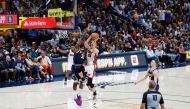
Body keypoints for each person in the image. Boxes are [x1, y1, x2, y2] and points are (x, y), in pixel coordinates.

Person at [84, 34, 99, 99]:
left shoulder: (96, 50)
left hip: (92, 66)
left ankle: (95, 92)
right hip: (87, 66)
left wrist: (94, 41)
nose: (91, 44)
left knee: (89, 82)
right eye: (91, 44)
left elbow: (93, 50)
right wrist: (90, 36)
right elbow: (85, 43)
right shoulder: (88, 48)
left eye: (92, 44)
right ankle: (93, 91)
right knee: (87, 84)